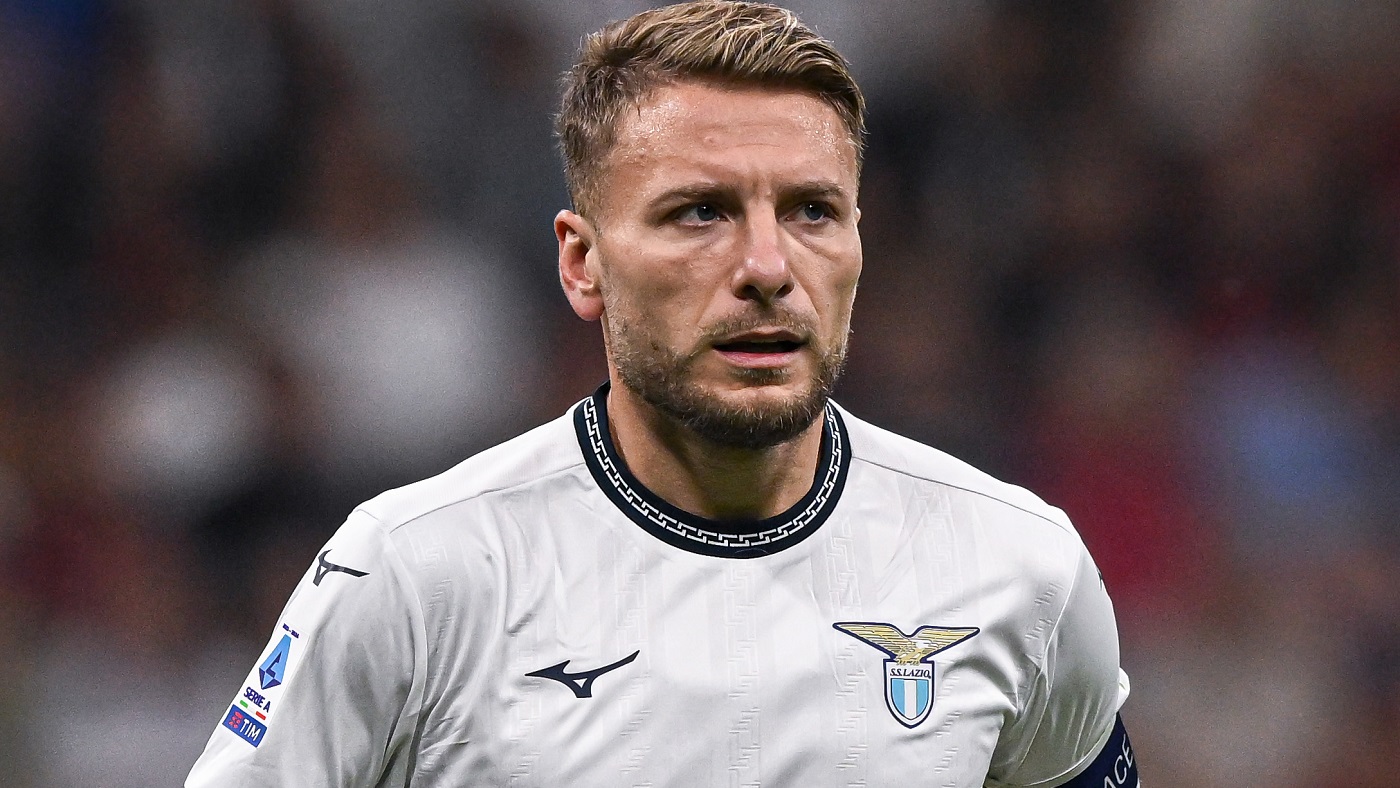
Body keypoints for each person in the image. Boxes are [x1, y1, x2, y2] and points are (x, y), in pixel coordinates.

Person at [187, 2, 1140, 785]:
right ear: (583, 263)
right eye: (700, 212)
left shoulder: (1021, 570)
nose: (767, 266)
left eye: (812, 211)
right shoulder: (414, 574)